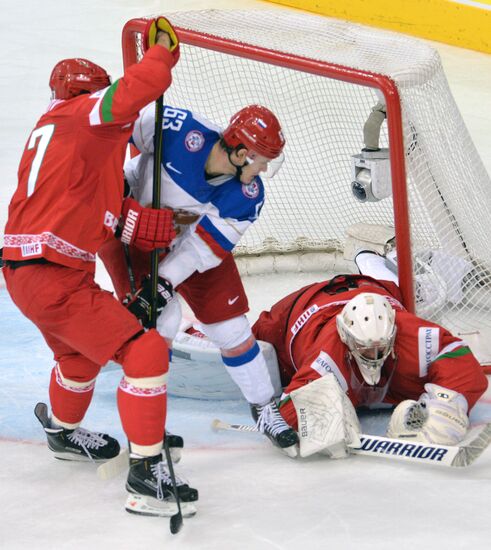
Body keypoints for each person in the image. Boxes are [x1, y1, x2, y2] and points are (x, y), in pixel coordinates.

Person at [1, 18, 198, 517]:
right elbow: (140, 88)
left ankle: (63, 434)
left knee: (79, 359)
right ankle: (146, 474)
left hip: (30, 273)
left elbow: (96, 210)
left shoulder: (56, 137)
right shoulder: (82, 114)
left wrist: (143, 225)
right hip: (53, 277)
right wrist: (161, 55)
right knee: (146, 351)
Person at [98, 103, 299, 456]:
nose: (265, 169)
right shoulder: (176, 128)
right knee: (159, 326)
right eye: (261, 159)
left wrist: (165, 280)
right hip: (133, 234)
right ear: (240, 153)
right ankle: (149, 429)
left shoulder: (247, 195)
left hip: (189, 247)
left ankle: (265, 408)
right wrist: (118, 192)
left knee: (233, 330)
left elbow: (204, 247)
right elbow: (109, 136)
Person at [252, 250, 488, 458]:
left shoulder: (406, 331)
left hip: (375, 289)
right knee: (258, 346)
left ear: (393, 331)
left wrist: (449, 404)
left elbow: (462, 362)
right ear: (346, 338)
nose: (374, 356)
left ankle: (376, 260)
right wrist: (319, 416)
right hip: (300, 307)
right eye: (366, 348)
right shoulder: (329, 354)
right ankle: (372, 259)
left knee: (401, 289)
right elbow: (287, 410)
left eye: (381, 347)